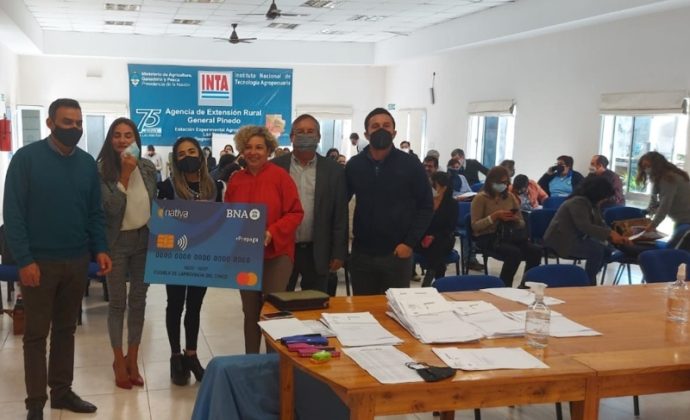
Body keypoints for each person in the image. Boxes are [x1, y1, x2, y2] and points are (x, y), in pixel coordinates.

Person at [3, 98, 112, 420]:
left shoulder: (86, 163)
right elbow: (13, 214)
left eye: (79, 123)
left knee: (66, 330)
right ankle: (35, 403)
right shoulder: (26, 159)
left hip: (76, 260)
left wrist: (100, 248)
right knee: (36, 335)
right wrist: (24, 260)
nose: (75, 129)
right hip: (38, 263)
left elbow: (94, 212)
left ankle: (61, 392)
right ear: (50, 123)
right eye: (67, 123)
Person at [225, 125, 304, 353]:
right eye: (248, 147)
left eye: (259, 147)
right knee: (250, 312)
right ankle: (251, 360)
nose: (253, 152)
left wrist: (273, 231)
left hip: (277, 254)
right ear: (242, 150)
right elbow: (228, 216)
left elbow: (295, 213)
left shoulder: (281, 177)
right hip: (245, 257)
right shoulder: (236, 180)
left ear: (268, 150)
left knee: (272, 311)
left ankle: (273, 362)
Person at [158, 137, 224, 386]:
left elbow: (223, 220)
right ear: (175, 160)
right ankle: (176, 356)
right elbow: (160, 220)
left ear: (201, 155)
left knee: (195, 305)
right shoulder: (167, 187)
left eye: (192, 151)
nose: (188, 157)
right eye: (182, 154)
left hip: (203, 256)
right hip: (175, 256)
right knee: (174, 304)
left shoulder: (214, 186)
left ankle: (192, 355)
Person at [96, 118, 157, 390]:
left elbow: (153, 203)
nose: (122, 140)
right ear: (110, 140)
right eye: (117, 135)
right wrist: (124, 174)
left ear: (136, 139)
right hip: (116, 242)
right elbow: (109, 209)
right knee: (117, 303)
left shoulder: (147, 167)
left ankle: (133, 358)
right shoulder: (101, 170)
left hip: (144, 239)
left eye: (128, 135)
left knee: (139, 301)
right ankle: (118, 360)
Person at [345, 107, 433, 295]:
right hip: (362, 255)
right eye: (375, 126)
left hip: (397, 254)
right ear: (366, 134)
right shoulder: (354, 165)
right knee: (363, 308)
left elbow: (426, 206)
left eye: (386, 126)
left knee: (396, 307)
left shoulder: (411, 165)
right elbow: (339, 202)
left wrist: (409, 243)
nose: (381, 130)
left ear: (394, 132)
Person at [273, 114, 348, 294]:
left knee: (315, 303)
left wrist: (339, 252)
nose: (305, 135)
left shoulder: (333, 171)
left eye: (310, 131)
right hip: (283, 249)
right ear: (292, 137)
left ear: (318, 137)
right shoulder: (275, 167)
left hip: (318, 249)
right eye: (300, 132)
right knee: (278, 301)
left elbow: (340, 214)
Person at [544, 177, 631, 285]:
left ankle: (587, 277)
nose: (605, 200)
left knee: (607, 250)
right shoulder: (577, 202)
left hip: (576, 238)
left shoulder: (592, 204)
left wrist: (616, 236)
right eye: (604, 197)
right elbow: (584, 226)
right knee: (597, 250)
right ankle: (588, 282)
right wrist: (609, 234)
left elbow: (600, 223)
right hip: (560, 241)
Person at [470, 166, 542, 287]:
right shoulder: (480, 198)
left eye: (506, 182)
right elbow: (475, 226)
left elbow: (522, 222)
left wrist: (514, 219)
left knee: (535, 251)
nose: (504, 185)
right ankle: (504, 286)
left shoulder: (510, 197)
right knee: (514, 253)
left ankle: (526, 285)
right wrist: (494, 217)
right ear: (492, 181)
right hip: (489, 236)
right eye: (501, 182)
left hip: (509, 234)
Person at [637, 151, 690, 248]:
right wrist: (648, 211)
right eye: (644, 167)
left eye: (648, 166)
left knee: (673, 251)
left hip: (686, 222)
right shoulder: (660, 177)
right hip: (682, 220)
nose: (646, 169)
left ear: (657, 165)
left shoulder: (668, 178)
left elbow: (665, 205)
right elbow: (655, 200)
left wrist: (653, 225)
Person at [417, 172, 458, 287]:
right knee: (437, 254)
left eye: (434, 185)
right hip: (422, 237)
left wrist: (433, 237)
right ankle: (439, 279)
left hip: (442, 237)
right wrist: (425, 237)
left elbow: (450, 227)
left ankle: (428, 279)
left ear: (444, 187)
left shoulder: (452, 204)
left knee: (438, 246)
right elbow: (418, 222)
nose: (431, 188)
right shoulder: (424, 201)